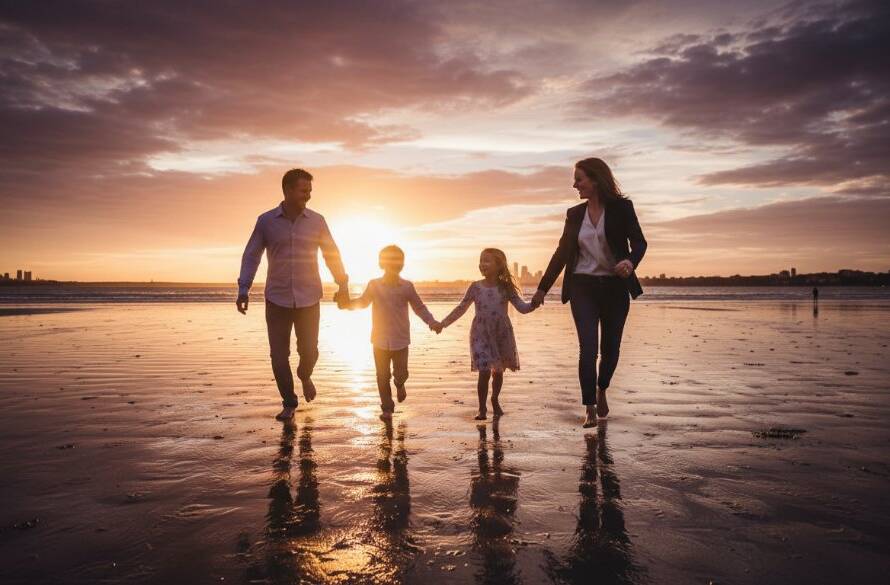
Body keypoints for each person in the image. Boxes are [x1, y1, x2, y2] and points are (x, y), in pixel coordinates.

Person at [532, 158, 647, 428]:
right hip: (582, 286)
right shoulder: (574, 214)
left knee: (611, 350)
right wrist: (541, 289)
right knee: (587, 349)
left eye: (579, 179)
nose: (575, 185)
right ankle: (590, 408)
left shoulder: (622, 208)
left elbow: (640, 242)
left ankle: (602, 388)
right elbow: (561, 253)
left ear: (595, 180)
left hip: (615, 287)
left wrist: (630, 262)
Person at [236, 168, 349, 421]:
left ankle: (305, 374)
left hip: (309, 298)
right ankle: (289, 402)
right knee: (278, 355)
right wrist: (244, 288)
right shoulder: (266, 221)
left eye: (309, 191)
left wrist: (342, 282)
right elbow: (252, 255)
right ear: (287, 191)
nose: (307, 196)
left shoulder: (317, 221)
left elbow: (332, 253)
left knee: (310, 351)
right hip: (276, 299)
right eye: (303, 191)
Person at [338, 245, 440, 420]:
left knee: (401, 373)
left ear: (402, 264)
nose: (393, 264)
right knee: (382, 375)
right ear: (381, 263)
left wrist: (431, 321)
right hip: (379, 340)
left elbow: (419, 307)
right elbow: (363, 302)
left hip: (401, 340)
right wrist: (347, 304)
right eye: (388, 260)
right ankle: (387, 408)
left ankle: (400, 384)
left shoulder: (407, 286)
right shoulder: (374, 284)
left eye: (397, 261)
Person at [438, 248, 535, 420]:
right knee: (484, 371)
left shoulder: (506, 288)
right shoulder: (475, 287)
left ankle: (495, 398)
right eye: (481, 260)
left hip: (501, 334)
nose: (482, 264)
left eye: (487, 260)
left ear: (499, 265)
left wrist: (534, 303)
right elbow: (461, 308)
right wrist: (443, 323)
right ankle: (482, 408)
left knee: (498, 371)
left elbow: (521, 307)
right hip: (480, 334)